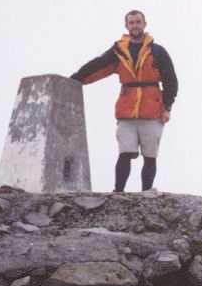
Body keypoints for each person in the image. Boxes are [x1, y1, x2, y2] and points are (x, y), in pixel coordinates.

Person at [71, 10, 178, 192]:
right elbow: (98, 65)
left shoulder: (158, 52)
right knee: (125, 153)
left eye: (138, 22)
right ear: (126, 26)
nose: (135, 25)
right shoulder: (118, 51)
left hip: (153, 111)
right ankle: (118, 192)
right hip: (127, 112)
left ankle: (146, 193)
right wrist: (74, 80)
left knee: (150, 156)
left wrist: (167, 107)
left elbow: (171, 81)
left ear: (144, 24)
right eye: (131, 23)